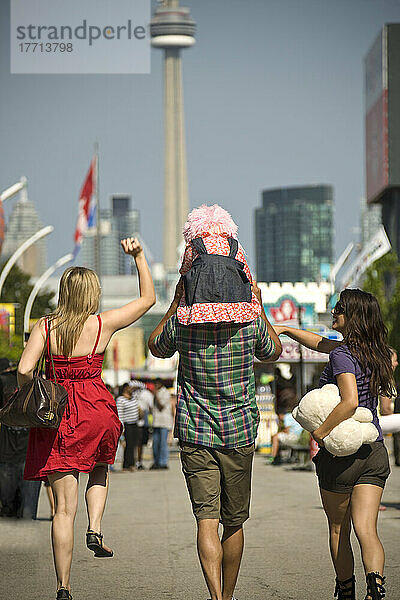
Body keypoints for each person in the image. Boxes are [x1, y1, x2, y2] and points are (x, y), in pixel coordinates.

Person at [18, 238, 155, 600]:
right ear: (92, 293)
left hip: (58, 414)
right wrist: (139, 257)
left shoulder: (46, 328)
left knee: (63, 510)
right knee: (100, 466)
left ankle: (63, 586)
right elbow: (147, 301)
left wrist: (38, 392)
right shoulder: (102, 324)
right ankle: (95, 527)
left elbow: (24, 369)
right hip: (97, 409)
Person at [148, 279, 281, 600]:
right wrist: (258, 306)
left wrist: (175, 303)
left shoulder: (184, 320)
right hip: (238, 432)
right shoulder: (248, 320)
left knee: (206, 520)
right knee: (233, 523)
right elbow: (273, 351)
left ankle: (216, 597)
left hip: (196, 432)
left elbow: (155, 346)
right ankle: (229, 596)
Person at [274, 288, 393, 600]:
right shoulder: (376, 353)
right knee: (367, 529)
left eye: (339, 307)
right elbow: (322, 343)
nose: (333, 310)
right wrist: (287, 329)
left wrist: (321, 432)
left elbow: (349, 402)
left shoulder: (343, 356)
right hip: (373, 451)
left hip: (342, 456)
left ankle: (346, 591)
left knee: (339, 530)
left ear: (351, 316)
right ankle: (376, 589)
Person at [116, 382, 140, 472]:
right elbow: (120, 415)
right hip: (127, 425)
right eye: (129, 387)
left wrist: (133, 385)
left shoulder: (133, 397)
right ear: (125, 389)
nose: (131, 389)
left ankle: (132, 463)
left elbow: (142, 387)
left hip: (135, 424)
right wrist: (122, 428)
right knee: (128, 445)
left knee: (133, 445)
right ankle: (127, 465)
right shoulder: (120, 400)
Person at [150, 378, 173, 470]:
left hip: (164, 422)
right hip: (156, 422)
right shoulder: (157, 393)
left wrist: (156, 396)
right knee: (155, 444)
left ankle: (163, 462)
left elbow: (161, 406)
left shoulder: (165, 393)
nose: (155, 386)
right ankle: (156, 462)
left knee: (163, 443)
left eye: (156, 384)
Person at [136, 384, 154, 469]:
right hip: (143, 423)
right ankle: (139, 462)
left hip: (131, 421)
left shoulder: (133, 394)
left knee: (133, 444)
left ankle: (133, 462)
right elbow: (151, 407)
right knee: (141, 443)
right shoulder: (147, 394)